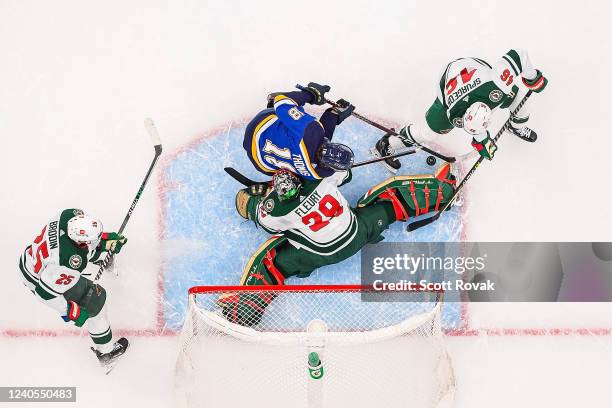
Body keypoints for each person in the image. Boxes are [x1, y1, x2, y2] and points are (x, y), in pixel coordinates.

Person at [222, 164, 457, 326]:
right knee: (389, 196)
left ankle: (244, 312)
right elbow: (346, 172)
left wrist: (255, 199)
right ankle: (444, 191)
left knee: (269, 258)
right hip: (358, 233)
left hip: (320, 255)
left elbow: (248, 207)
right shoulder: (318, 178)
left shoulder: (274, 212)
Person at [374, 49, 548, 173]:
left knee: (520, 102)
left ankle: (515, 127)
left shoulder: (498, 84)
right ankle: (388, 143)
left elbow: (520, 55)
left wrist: (532, 78)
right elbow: (477, 130)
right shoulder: (452, 114)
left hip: (474, 71)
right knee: (428, 133)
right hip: (448, 84)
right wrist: (483, 141)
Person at [18, 208, 129, 372]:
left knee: (86, 256)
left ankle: (101, 256)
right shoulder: (67, 263)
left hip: (29, 259)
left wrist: (104, 239)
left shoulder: (69, 215)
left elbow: (81, 245)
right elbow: (44, 293)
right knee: (96, 302)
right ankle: (106, 354)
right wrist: (69, 310)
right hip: (41, 279)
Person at [243, 82, 356, 180]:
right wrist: (333, 115)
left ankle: (278, 104)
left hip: (258, 127)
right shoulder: (320, 173)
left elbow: (281, 103)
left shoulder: (311, 130)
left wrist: (311, 94)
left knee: (283, 104)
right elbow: (320, 144)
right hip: (261, 164)